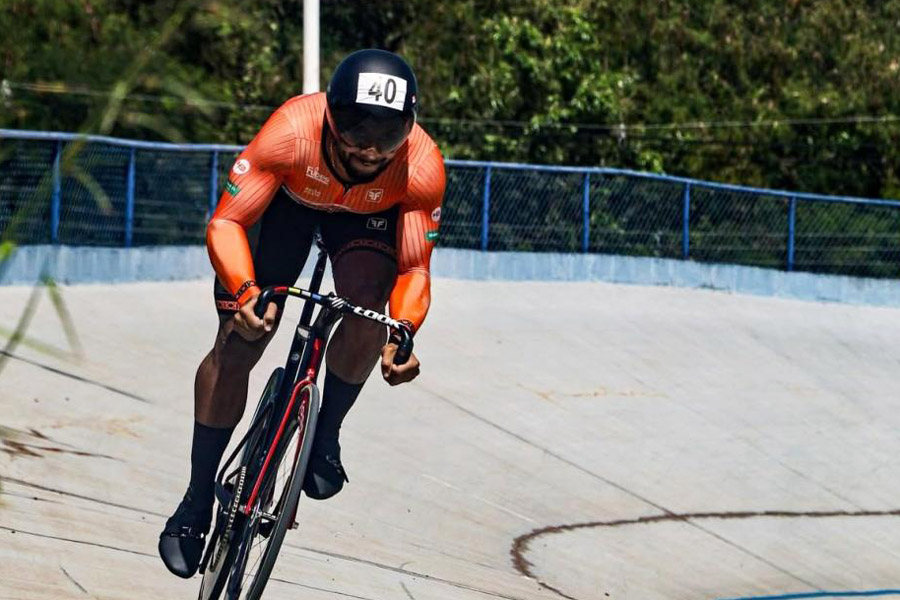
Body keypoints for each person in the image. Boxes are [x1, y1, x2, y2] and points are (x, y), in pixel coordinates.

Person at [158, 49, 445, 578]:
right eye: (356, 128)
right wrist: (246, 292)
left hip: (367, 220)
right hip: (285, 205)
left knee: (368, 311)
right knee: (240, 341)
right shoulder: (292, 131)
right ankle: (196, 500)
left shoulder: (420, 165)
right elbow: (226, 223)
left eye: (387, 134)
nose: (369, 147)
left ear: (408, 128)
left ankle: (324, 432)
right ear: (331, 117)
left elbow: (414, 269)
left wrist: (403, 333)